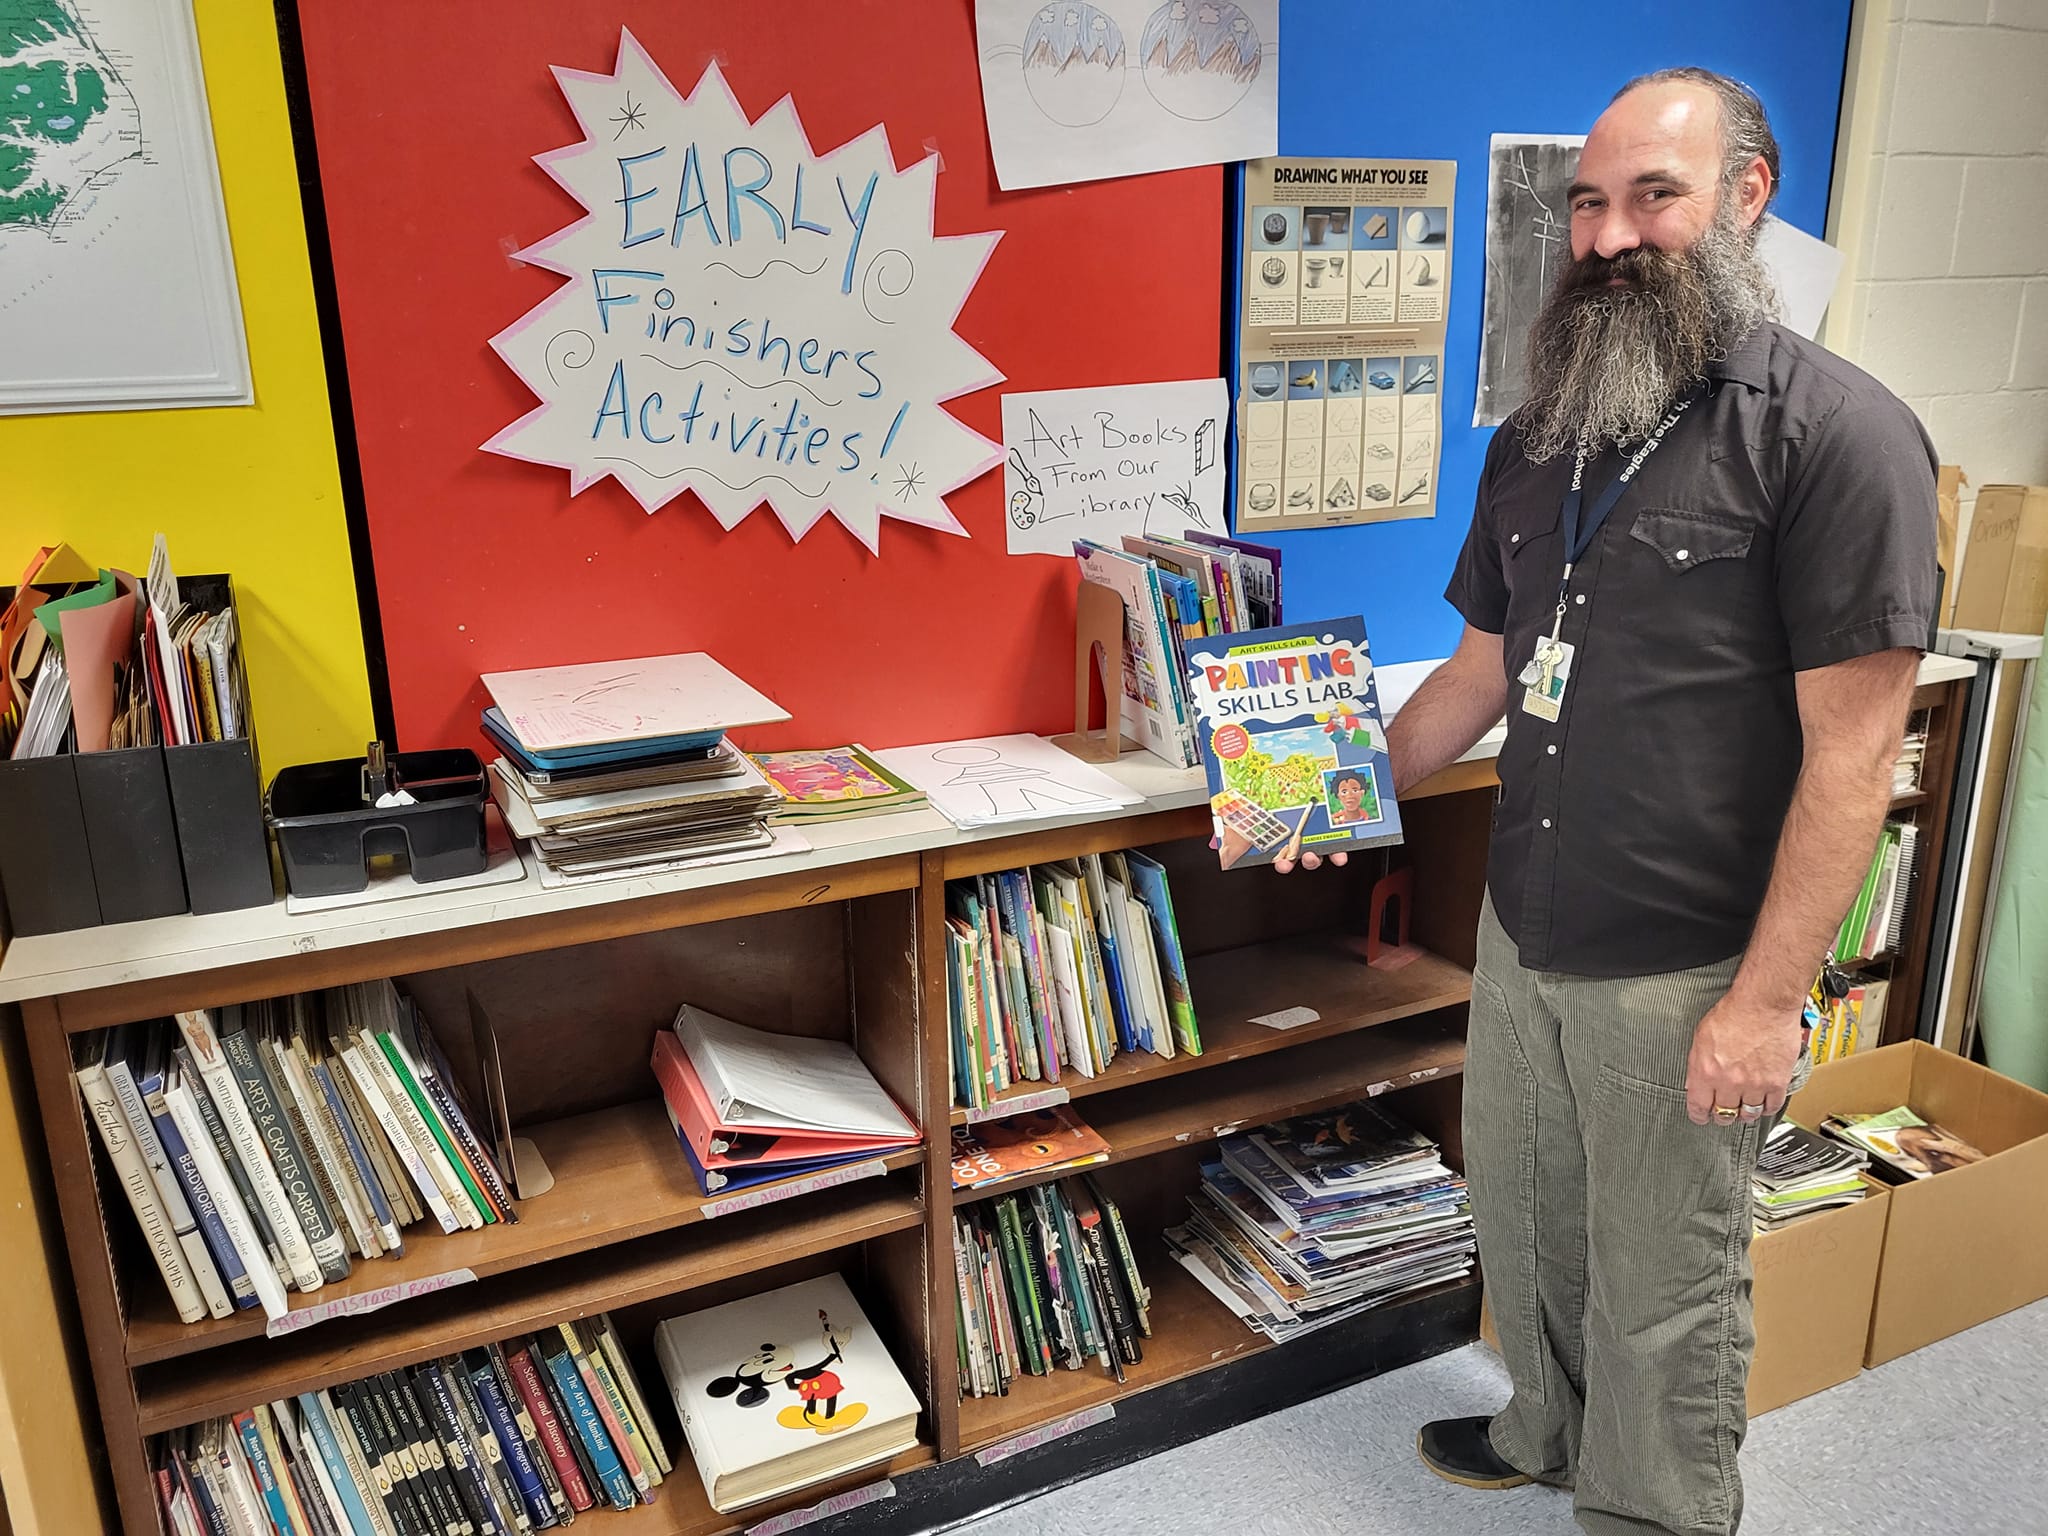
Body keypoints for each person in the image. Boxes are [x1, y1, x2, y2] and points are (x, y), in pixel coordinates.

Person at [1282, 67, 1936, 1535]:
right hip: (1528, 921)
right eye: (1588, 202)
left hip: (1693, 954)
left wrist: (1770, 1004)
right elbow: (1476, 679)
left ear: (1746, 202)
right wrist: (1318, 798)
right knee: (1525, 1224)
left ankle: (1650, 1511)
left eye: (1655, 196)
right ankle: (1545, 1431)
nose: (1608, 235)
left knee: (1665, 1287)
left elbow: (1856, 755)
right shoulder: (1541, 435)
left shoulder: (1838, 439)